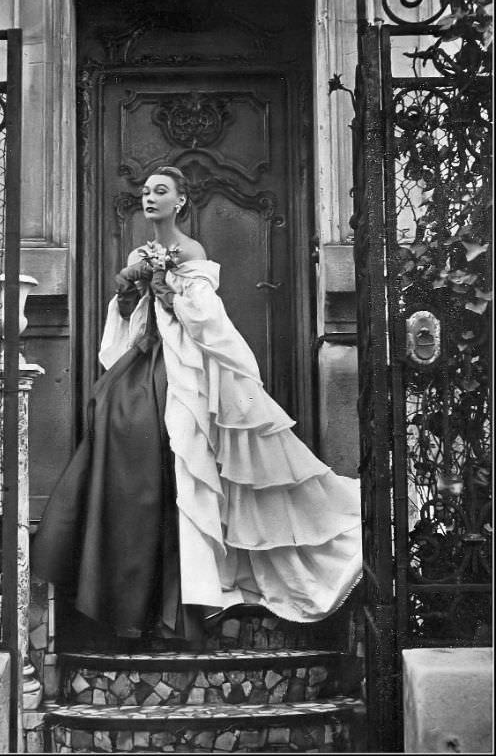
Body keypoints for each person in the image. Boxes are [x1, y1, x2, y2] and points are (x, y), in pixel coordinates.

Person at [31, 165, 362, 646]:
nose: (150, 198)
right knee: (113, 420)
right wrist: (128, 294)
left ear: (180, 202)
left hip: (182, 366)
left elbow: (207, 318)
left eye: (160, 191)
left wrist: (172, 292)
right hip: (145, 363)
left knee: (180, 456)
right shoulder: (138, 252)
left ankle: (185, 594)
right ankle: (130, 593)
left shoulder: (191, 252)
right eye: (145, 191)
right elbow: (129, 324)